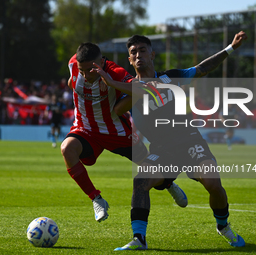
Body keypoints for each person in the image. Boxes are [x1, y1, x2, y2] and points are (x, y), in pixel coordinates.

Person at [93, 31, 247, 249]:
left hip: (190, 140)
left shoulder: (171, 77)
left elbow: (202, 68)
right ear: (129, 60)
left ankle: (223, 226)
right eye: (133, 52)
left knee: (213, 183)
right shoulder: (129, 94)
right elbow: (117, 109)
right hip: (163, 150)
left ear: (152, 54)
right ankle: (139, 238)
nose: (138, 55)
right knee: (141, 181)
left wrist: (230, 48)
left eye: (142, 50)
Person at [60, 43, 187, 223]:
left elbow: (143, 89)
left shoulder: (116, 72)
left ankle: (168, 183)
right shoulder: (74, 65)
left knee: (148, 169)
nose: (86, 75)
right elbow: (72, 79)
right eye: (82, 70)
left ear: (102, 62)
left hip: (116, 131)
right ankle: (97, 199)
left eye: (91, 70)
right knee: (67, 149)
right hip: (85, 128)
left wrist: (111, 83)